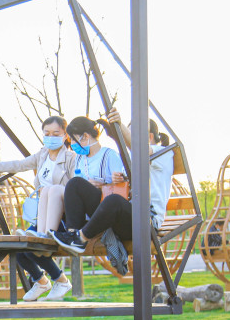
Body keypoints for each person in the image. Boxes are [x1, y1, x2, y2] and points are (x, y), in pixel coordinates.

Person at [53, 109, 173, 254]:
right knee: (75, 183)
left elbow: (141, 150)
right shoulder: (131, 158)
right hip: (123, 215)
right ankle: (71, 234)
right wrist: (116, 181)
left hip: (145, 221)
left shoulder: (163, 153)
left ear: (149, 136)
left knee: (114, 200)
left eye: (129, 134)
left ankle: (81, 238)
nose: (126, 139)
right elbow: (122, 190)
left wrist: (119, 125)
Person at [0, 116, 76, 236]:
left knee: (49, 190)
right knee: (25, 245)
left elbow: (75, 186)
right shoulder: (42, 155)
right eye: (47, 134)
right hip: (42, 209)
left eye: (56, 134)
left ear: (65, 136)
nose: (51, 137)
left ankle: (46, 234)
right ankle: (41, 234)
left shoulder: (71, 158)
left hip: (62, 210)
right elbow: (19, 165)